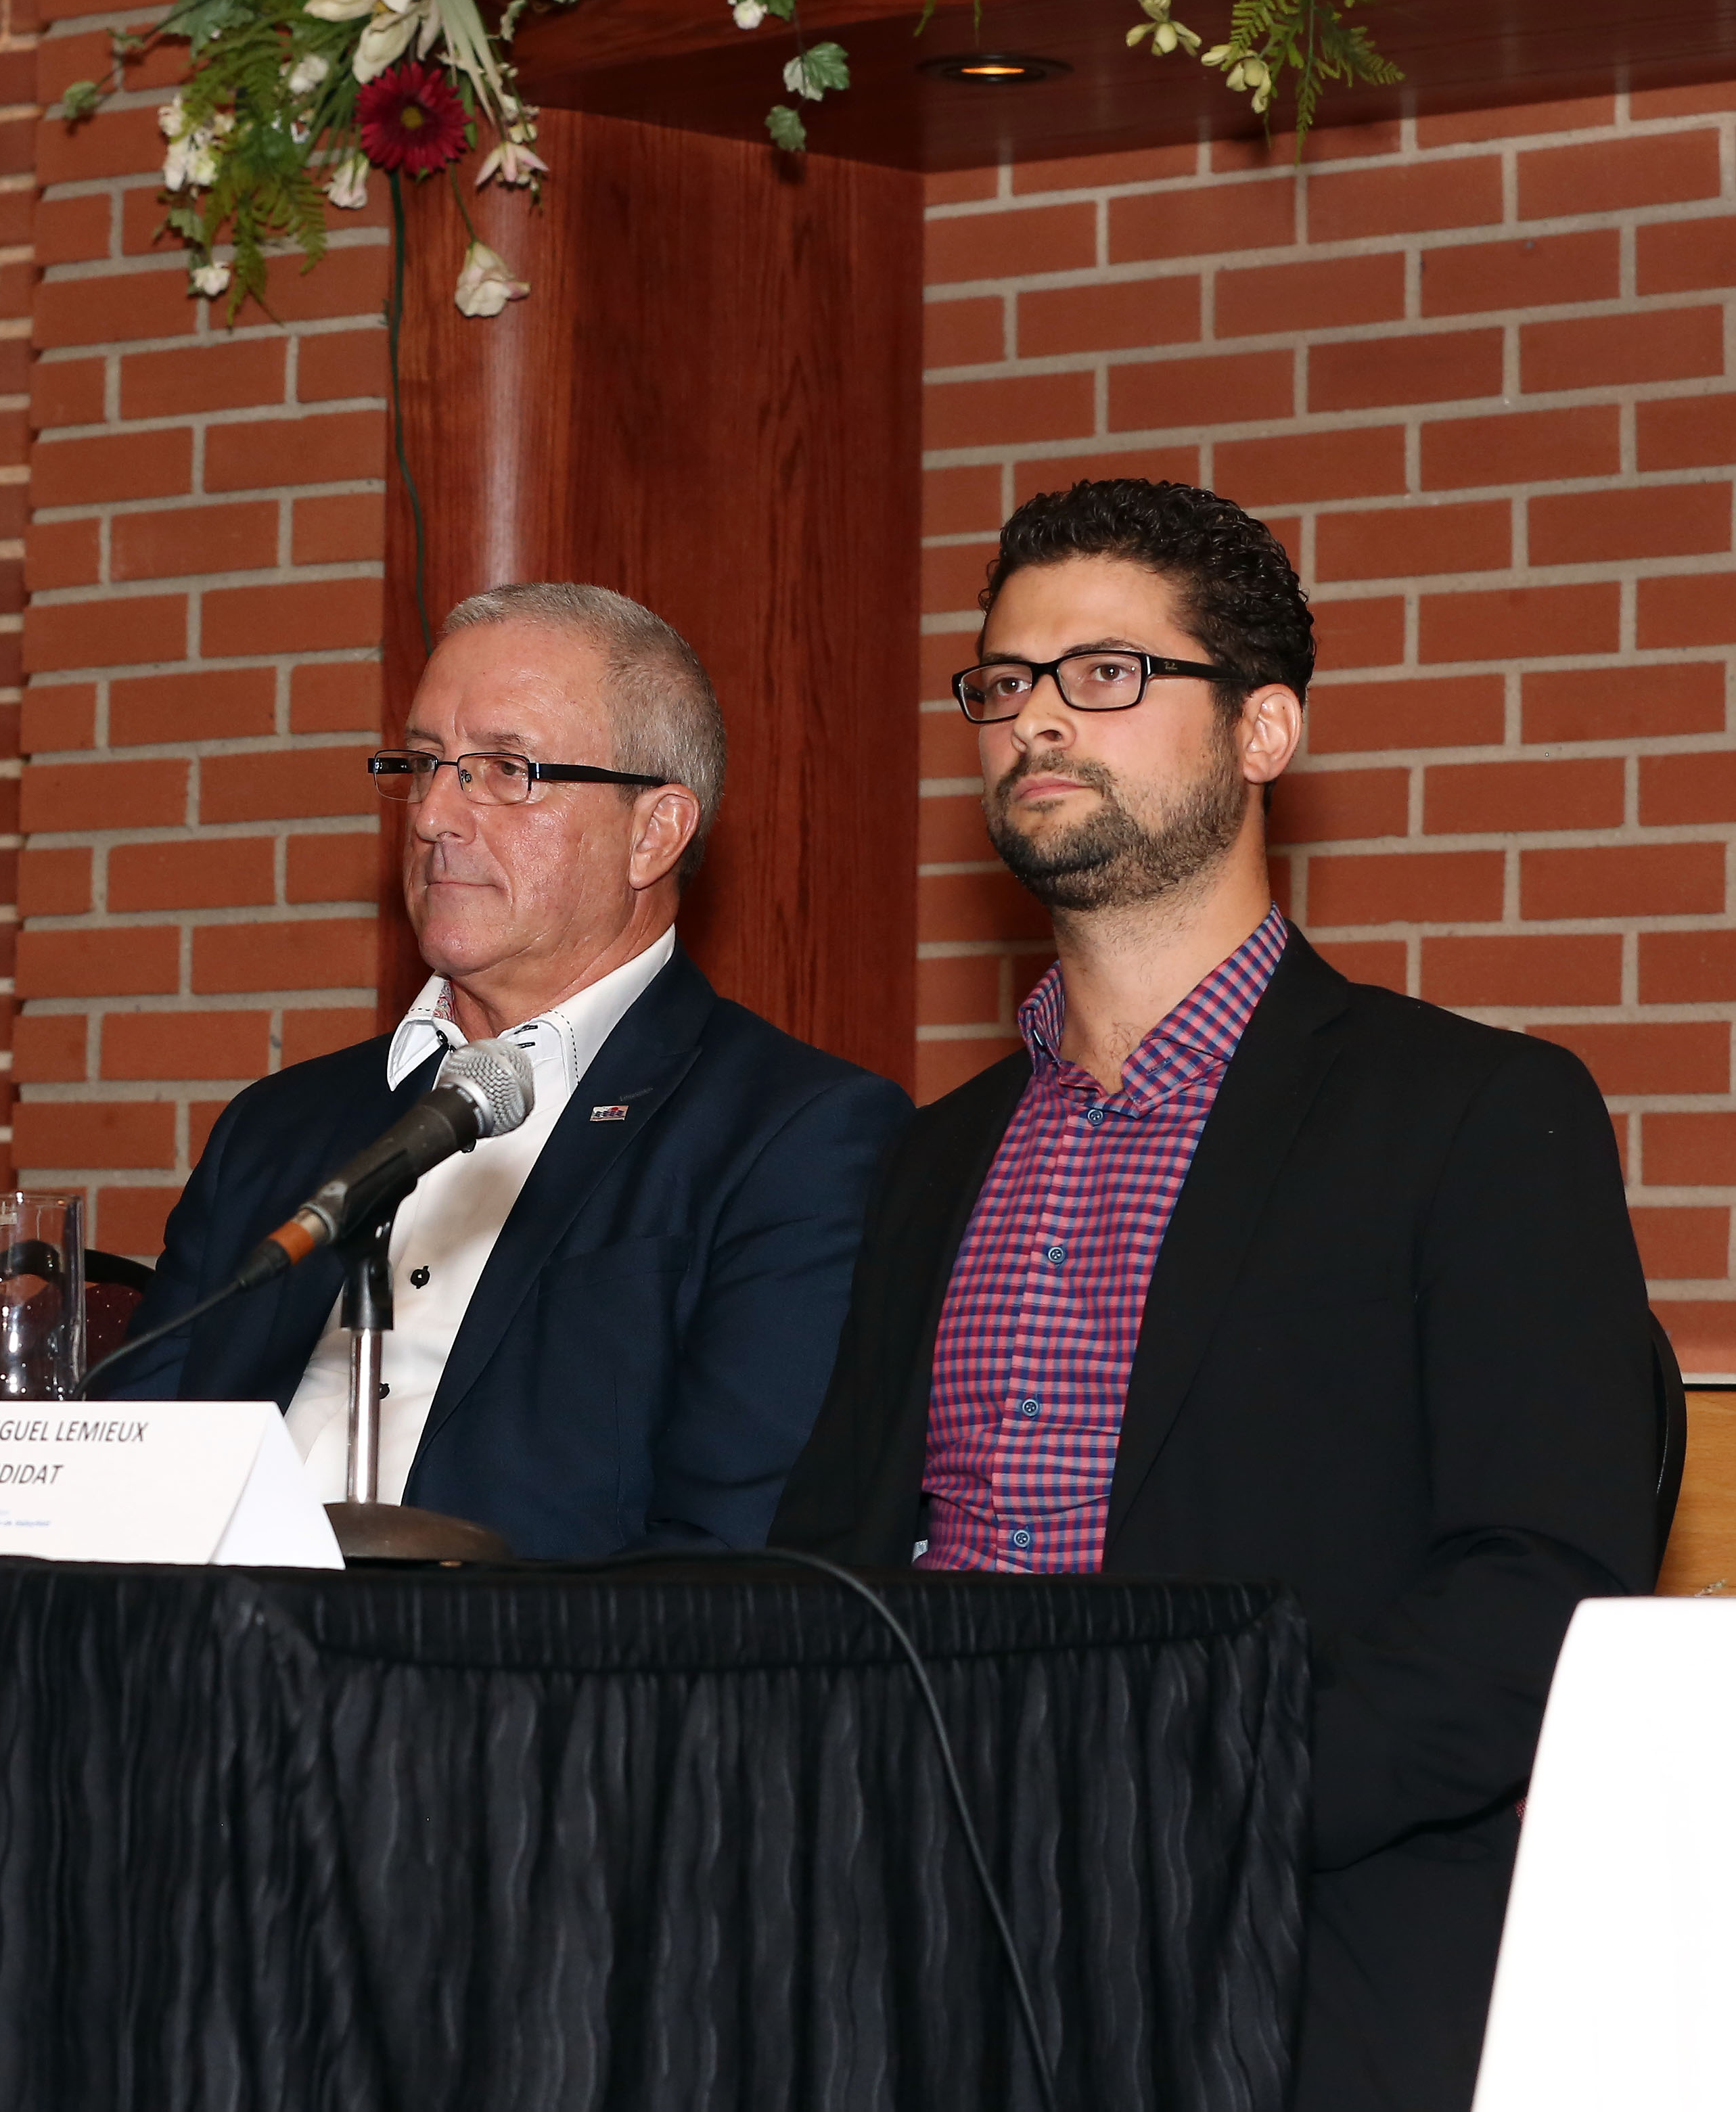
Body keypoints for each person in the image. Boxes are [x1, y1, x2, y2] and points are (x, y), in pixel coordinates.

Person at [769, 479, 1665, 2112]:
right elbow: (832, 1548)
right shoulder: (933, 1156)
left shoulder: (1472, 1113)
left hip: (1281, 1945)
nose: (1037, 719)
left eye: (1107, 675)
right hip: (903, 1942)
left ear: (1266, 730)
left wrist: (1192, 1802)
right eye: (1004, 683)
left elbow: (1539, 1580)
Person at [114, 582, 910, 1557]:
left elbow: (731, 1566)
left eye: (504, 769)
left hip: (528, 1690)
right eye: (422, 764)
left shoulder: (793, 1136)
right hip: (209, 1675)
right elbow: (125, 1473)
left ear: (653, 832)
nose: (433, 815)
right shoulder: (277, 1124)